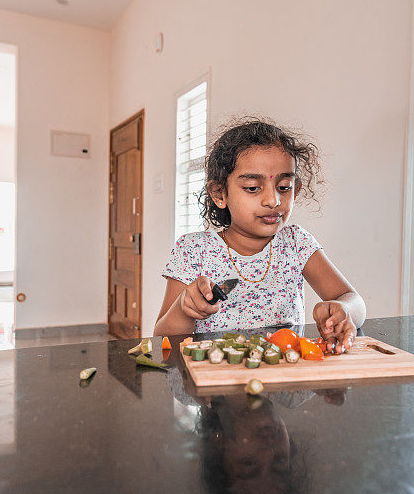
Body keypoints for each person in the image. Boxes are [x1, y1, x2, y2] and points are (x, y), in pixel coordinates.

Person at [154, 118, 365, 354]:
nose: (273, 200)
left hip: (283, 379)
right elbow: (162, 339)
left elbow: (354, 301)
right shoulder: (193, 250)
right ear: (219, 193)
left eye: (284, 187)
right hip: (215, 380)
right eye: (253, 188)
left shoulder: (296, 244)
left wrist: (343, 310)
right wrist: (184, 309)